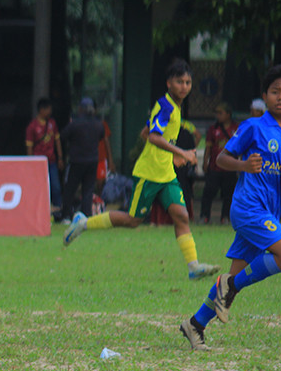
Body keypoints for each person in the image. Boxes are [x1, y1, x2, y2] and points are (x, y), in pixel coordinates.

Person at [180, 64, 281, 351]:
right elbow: (221, 160)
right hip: (247, 209)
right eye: (275, 92)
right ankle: (230, 287)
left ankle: (195, 325)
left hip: (268, 211)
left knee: (233, 277)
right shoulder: (253, 127)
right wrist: (243, 165)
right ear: (265, 96)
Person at [63, 59, 220, 281]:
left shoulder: (172, 106)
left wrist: (171, 154)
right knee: (132, 220)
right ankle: (83, 223)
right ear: (169, 83)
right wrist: (181, 152)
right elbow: (154, 136)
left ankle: (193, 266)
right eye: (179, 82)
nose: (184, 86)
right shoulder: (166, 106)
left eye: (188, 82)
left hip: (166, 174)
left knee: (181, 215)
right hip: (150, 173)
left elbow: (146, 132)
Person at [60, 97, 106, 221]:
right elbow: (102, 136)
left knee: (70, 188)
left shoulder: (75, 123)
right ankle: (86, 217)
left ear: (80, 109)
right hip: (92, 161)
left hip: (76, 161)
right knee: (88, 190)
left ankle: (66, 216)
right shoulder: (98, 124)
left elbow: (63, 136)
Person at [199, 102, 239, 224]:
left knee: (229, 194)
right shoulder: (213, 129)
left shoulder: (236, 129)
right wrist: (205, 162)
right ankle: (204, 216)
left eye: (220, 113)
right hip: (215, 167)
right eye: (216, 113)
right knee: (208, 192)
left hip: (230, 167)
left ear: (228, 114)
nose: (218, 115)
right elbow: (208, 148)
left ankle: (225, 217)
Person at [25, 97, 63, 217]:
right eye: (48, 109)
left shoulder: (52, 123)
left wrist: (60, 158)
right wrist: (31, 163)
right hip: (38, 163)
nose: (50, 112)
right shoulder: (32, 127)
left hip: (51, 161)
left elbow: (57, 141)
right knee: (39, 188)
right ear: (41, 110)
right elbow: (29, 147)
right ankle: (38, 213)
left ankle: (58, 213)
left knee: (56, 187)